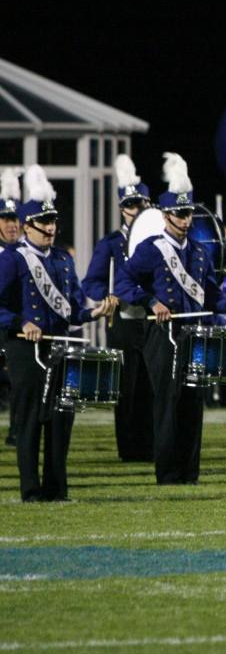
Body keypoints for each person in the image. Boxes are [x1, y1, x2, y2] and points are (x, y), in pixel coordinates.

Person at [116, 153, 226, 485]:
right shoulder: (151, 248)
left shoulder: (200, 252)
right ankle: (168, 472)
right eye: (179, 213)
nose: (186, 219)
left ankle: (189, 472)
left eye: (189, 212)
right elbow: (123, 282)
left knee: (194, 401)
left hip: (195, 333)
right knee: (167, 401)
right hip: (163, 334)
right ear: (165, 215)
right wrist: (151, 301)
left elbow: (210, 297)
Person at [0, 165, 114, 501]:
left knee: (62, 418)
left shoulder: (64, 261)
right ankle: (31, 489)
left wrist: (95, 312)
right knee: (32, 419)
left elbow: (73, 309)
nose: (50, 229)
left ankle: (57, 487)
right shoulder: (12, 259)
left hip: (59, 346)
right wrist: (22, 323)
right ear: (27, 227)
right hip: (26, 348)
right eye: (43, 224)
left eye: (52, 223)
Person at [81, 155, 155, 462]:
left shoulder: (159, 241)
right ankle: (129, 448)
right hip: (123, 321)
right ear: (121, 208)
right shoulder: (110, 243)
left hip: (153, 320)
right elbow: (91, 282)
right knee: (126, 388)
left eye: (141, 205)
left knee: (151, 385)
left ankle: (151, 446)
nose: (135, 211)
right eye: (130, 206)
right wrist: (107, 296)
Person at [0, 168, 23, 448]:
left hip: (15, 324)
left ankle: (17, 430)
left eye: (15, 218)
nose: (11, 225)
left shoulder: (25, 252)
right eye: (5, 219)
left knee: (19, 382)